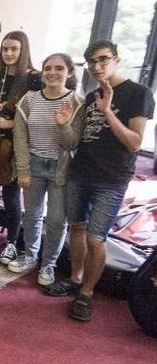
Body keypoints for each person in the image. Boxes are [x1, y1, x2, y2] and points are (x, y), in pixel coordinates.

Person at [45, 40, 154, 322]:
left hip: (112, 178)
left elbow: (134, 142)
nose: (97, 66)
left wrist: (107, 112)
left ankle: (87, 293)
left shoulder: (138, 93)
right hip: (81, 172)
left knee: (96, 237)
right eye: (92, 62)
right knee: (77, 228)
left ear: (117, 59)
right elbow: (71, 143)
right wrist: (63, 124)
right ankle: (76, 278)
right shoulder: (91, 95)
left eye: (103, 60)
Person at [9, 53, 82, 286]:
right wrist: (23, 169)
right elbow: (19, 137)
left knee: (57, 219)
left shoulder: (76, 102)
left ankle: (49, 264)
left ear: (69, 72)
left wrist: (63, 125)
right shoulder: (29, 100)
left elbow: (72, 143)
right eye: (47, 68)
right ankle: (30, 255)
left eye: (59, 68)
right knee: (32, 214)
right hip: (34, 163)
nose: (52, 72)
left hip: (61, 168)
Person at [0, 31, 40, 266]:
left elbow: (37, 114)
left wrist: (14, 122)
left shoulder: (33, 79)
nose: (9, 53)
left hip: (14, 143)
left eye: (14, 49)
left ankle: (12, 242)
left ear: (23, 50)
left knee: (11, 194)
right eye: (5, 49)